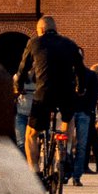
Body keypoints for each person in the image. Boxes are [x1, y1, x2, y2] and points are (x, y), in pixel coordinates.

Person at [13, 15, 84, 174]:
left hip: (44, 93)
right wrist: (80, 88)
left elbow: (22, 69)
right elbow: (80, 69)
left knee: (31, 134)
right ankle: (63, 153)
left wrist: (18, 87)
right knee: (68, 119)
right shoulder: (70, 44)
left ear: (41, 30)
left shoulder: (34, 42)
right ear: (55, 29)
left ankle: (35, 170)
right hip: (66, 92)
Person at [68, 62, 98, 185]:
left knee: (82, 145)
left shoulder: (90, 75)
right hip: (69, 112)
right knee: (66, 143)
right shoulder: (65, 73)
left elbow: (95, 94)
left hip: (83, 112)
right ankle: (66, 170)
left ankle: (77, 176)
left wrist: (89, 110)